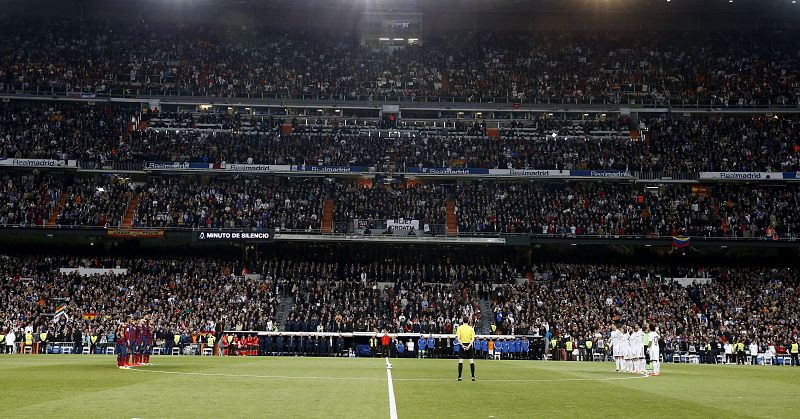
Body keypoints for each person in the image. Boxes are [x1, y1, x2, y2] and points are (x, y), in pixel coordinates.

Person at [455, 316, 476, 382]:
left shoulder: (460, 328)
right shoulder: (471, 328)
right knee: (471, 361)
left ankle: (459, 377)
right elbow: (473, 338)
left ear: (462, 321)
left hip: (462, 345)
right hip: (469, 344)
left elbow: (458, 338)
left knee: (460, 361)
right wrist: (469, 345)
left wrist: (462, 345)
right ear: (468, 321)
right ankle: (473, 377)